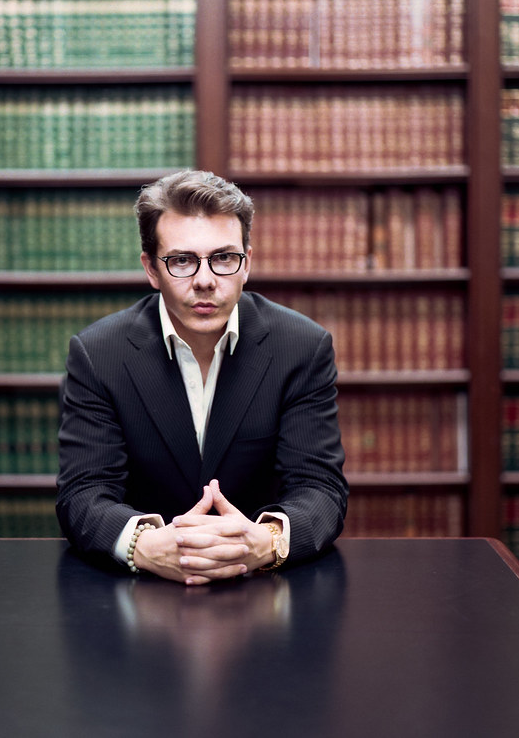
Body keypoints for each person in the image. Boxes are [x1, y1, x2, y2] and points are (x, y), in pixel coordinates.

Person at [56, 169, 348, 585]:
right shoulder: (99, 354)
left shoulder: (301, 347)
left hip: (263, 588)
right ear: (151, 269)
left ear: (247, 263)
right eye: (182, 261)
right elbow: (83, 493)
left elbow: (320, 488)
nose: (206, 281)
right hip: (141, 592)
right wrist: (145, 545)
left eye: (224, 258)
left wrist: (264, 541)